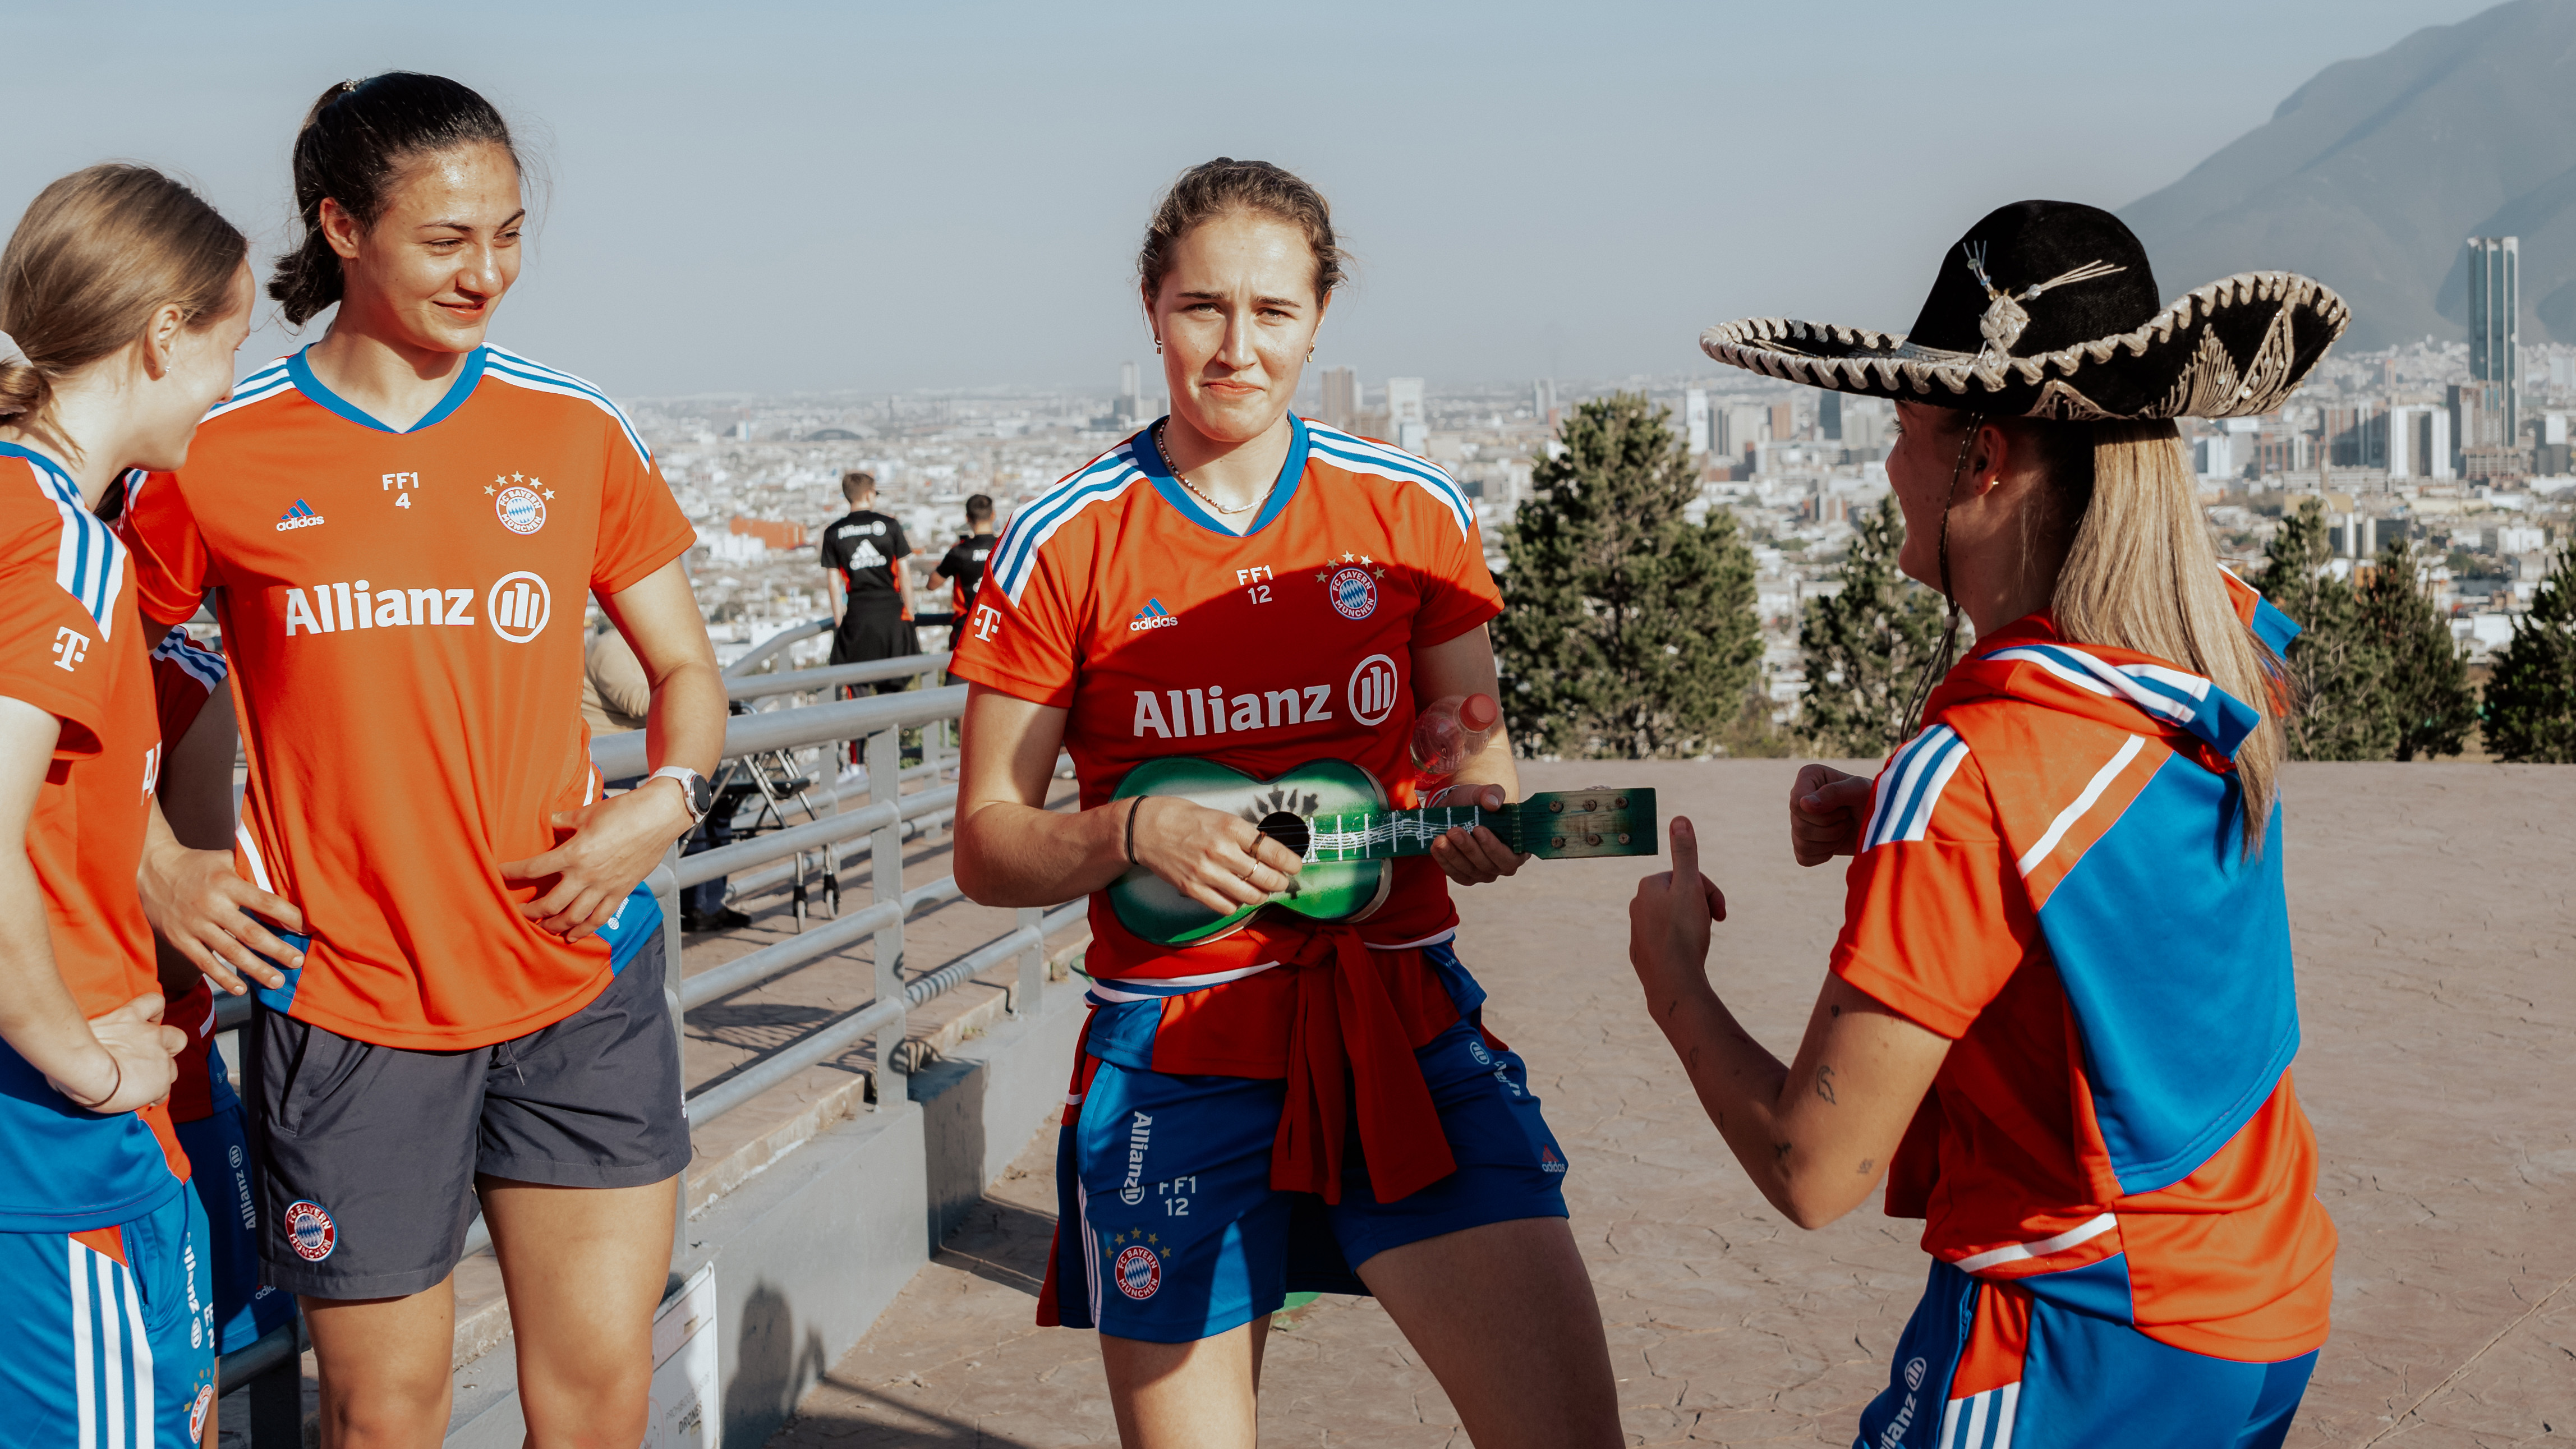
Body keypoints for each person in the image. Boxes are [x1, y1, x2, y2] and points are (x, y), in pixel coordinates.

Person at [1630, 201, 2344, 1447]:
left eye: (1906, 434)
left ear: (1987, 458)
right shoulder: (2221, 651)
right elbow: (2115, 861)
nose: (1889, 469)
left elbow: (1815, 1167)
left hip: (2073, 1340)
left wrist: (1673, 978)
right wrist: (1893, 829)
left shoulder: (1975, 776)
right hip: (2257, 1303)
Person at [949, 158, 1620, 1449]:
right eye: (1205, 308)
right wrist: (1134, 832)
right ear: (1152, 307)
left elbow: (1474, 750)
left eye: (1273, 312)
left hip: (1404, 1027)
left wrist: (1478, 812)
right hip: (1176, 1059)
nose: (1237, 348)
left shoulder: (1408, 511)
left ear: (1321, 317)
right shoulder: (1067, 540)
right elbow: (988, 842)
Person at [118, 73, 725, 1447]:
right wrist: (159, 861)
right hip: (349, 1001)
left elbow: (688, 673)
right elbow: (97, 680)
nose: (489, 272)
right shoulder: (215, 446)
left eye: (509, 234)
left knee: (597, 1397)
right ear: (340, 225)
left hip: (579, 979)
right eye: (449, 239)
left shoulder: (573, 429)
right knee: (383, 1421)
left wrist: (662, 806)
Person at [0, 162, 252, 1449]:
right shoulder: (62, 544)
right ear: (163, 338)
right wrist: (85, 1065)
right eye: (227, 348)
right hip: (56, 1142)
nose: (224, 390)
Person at [820, 468, 917, 694]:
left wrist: (838, 620)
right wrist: (910, 612)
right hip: (892, 615)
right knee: (893, 687)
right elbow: (904, 574)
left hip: (857, 617)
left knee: (857, 682)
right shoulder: (890, 526)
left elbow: (833, 582)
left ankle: (866, 730)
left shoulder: (834, 532)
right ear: (869, 494)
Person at [933, 493, 996, 684]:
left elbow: (933, 583)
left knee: (959, 694)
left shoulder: (960, 551)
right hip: (999, 628)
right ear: (993, 515)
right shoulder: (1004, 546)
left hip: (966, 628)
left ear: (968, 518)